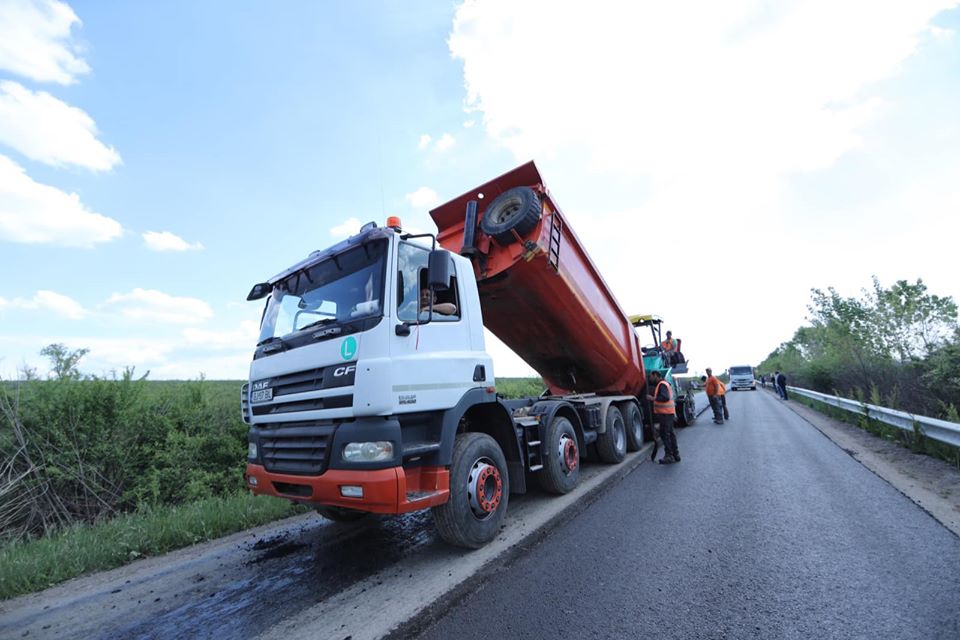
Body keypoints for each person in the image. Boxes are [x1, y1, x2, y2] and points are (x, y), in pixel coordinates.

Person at [648, 370, 680, 464]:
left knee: (665, 434)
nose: (650, 378)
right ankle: (675, 455)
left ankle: (669, 456)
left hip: (665, 414)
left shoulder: (661, 384)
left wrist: (653, 398)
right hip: (668, 413)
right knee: (670, 434)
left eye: (651, 376)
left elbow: (665, 397)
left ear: (655, 375)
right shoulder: (664, 384)